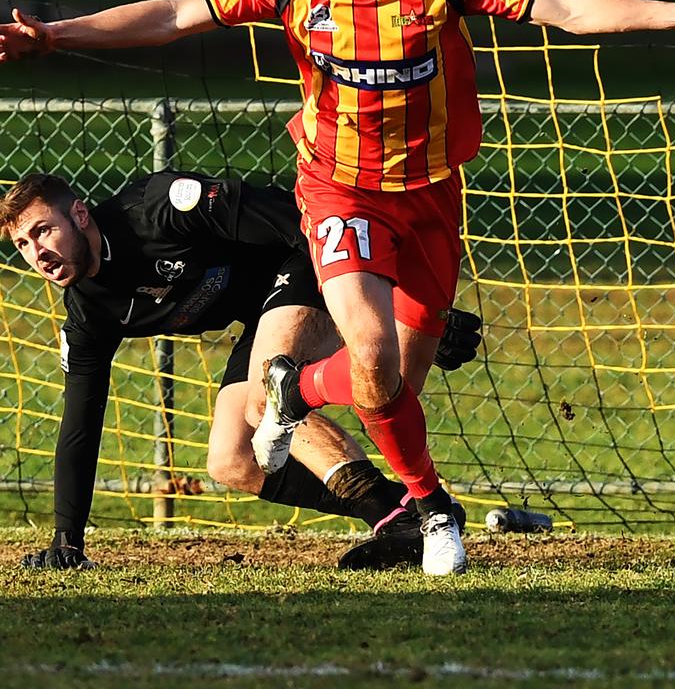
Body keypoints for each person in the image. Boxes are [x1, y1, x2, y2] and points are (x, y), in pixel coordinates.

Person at [2, 0, 675, 574]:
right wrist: (54, 38)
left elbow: (562, 7)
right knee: (368, 353)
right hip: (339, 190)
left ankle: (297, 395)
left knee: (389, 386)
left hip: (432, 195)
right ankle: (432, 513)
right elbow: (176, 15)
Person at [0, 169, 480, 570]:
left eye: (43, 230)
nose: (37, 253)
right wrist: (68, 540)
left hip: (308, 258)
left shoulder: (159, 209)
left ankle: (426, 508)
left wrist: (398, 308)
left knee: (262, 396)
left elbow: (304, 221)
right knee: (230, 459)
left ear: (79, 214)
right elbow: (80, 424)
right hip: (260, 313)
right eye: (22, 244)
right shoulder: (89, 312)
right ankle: (402, 516)